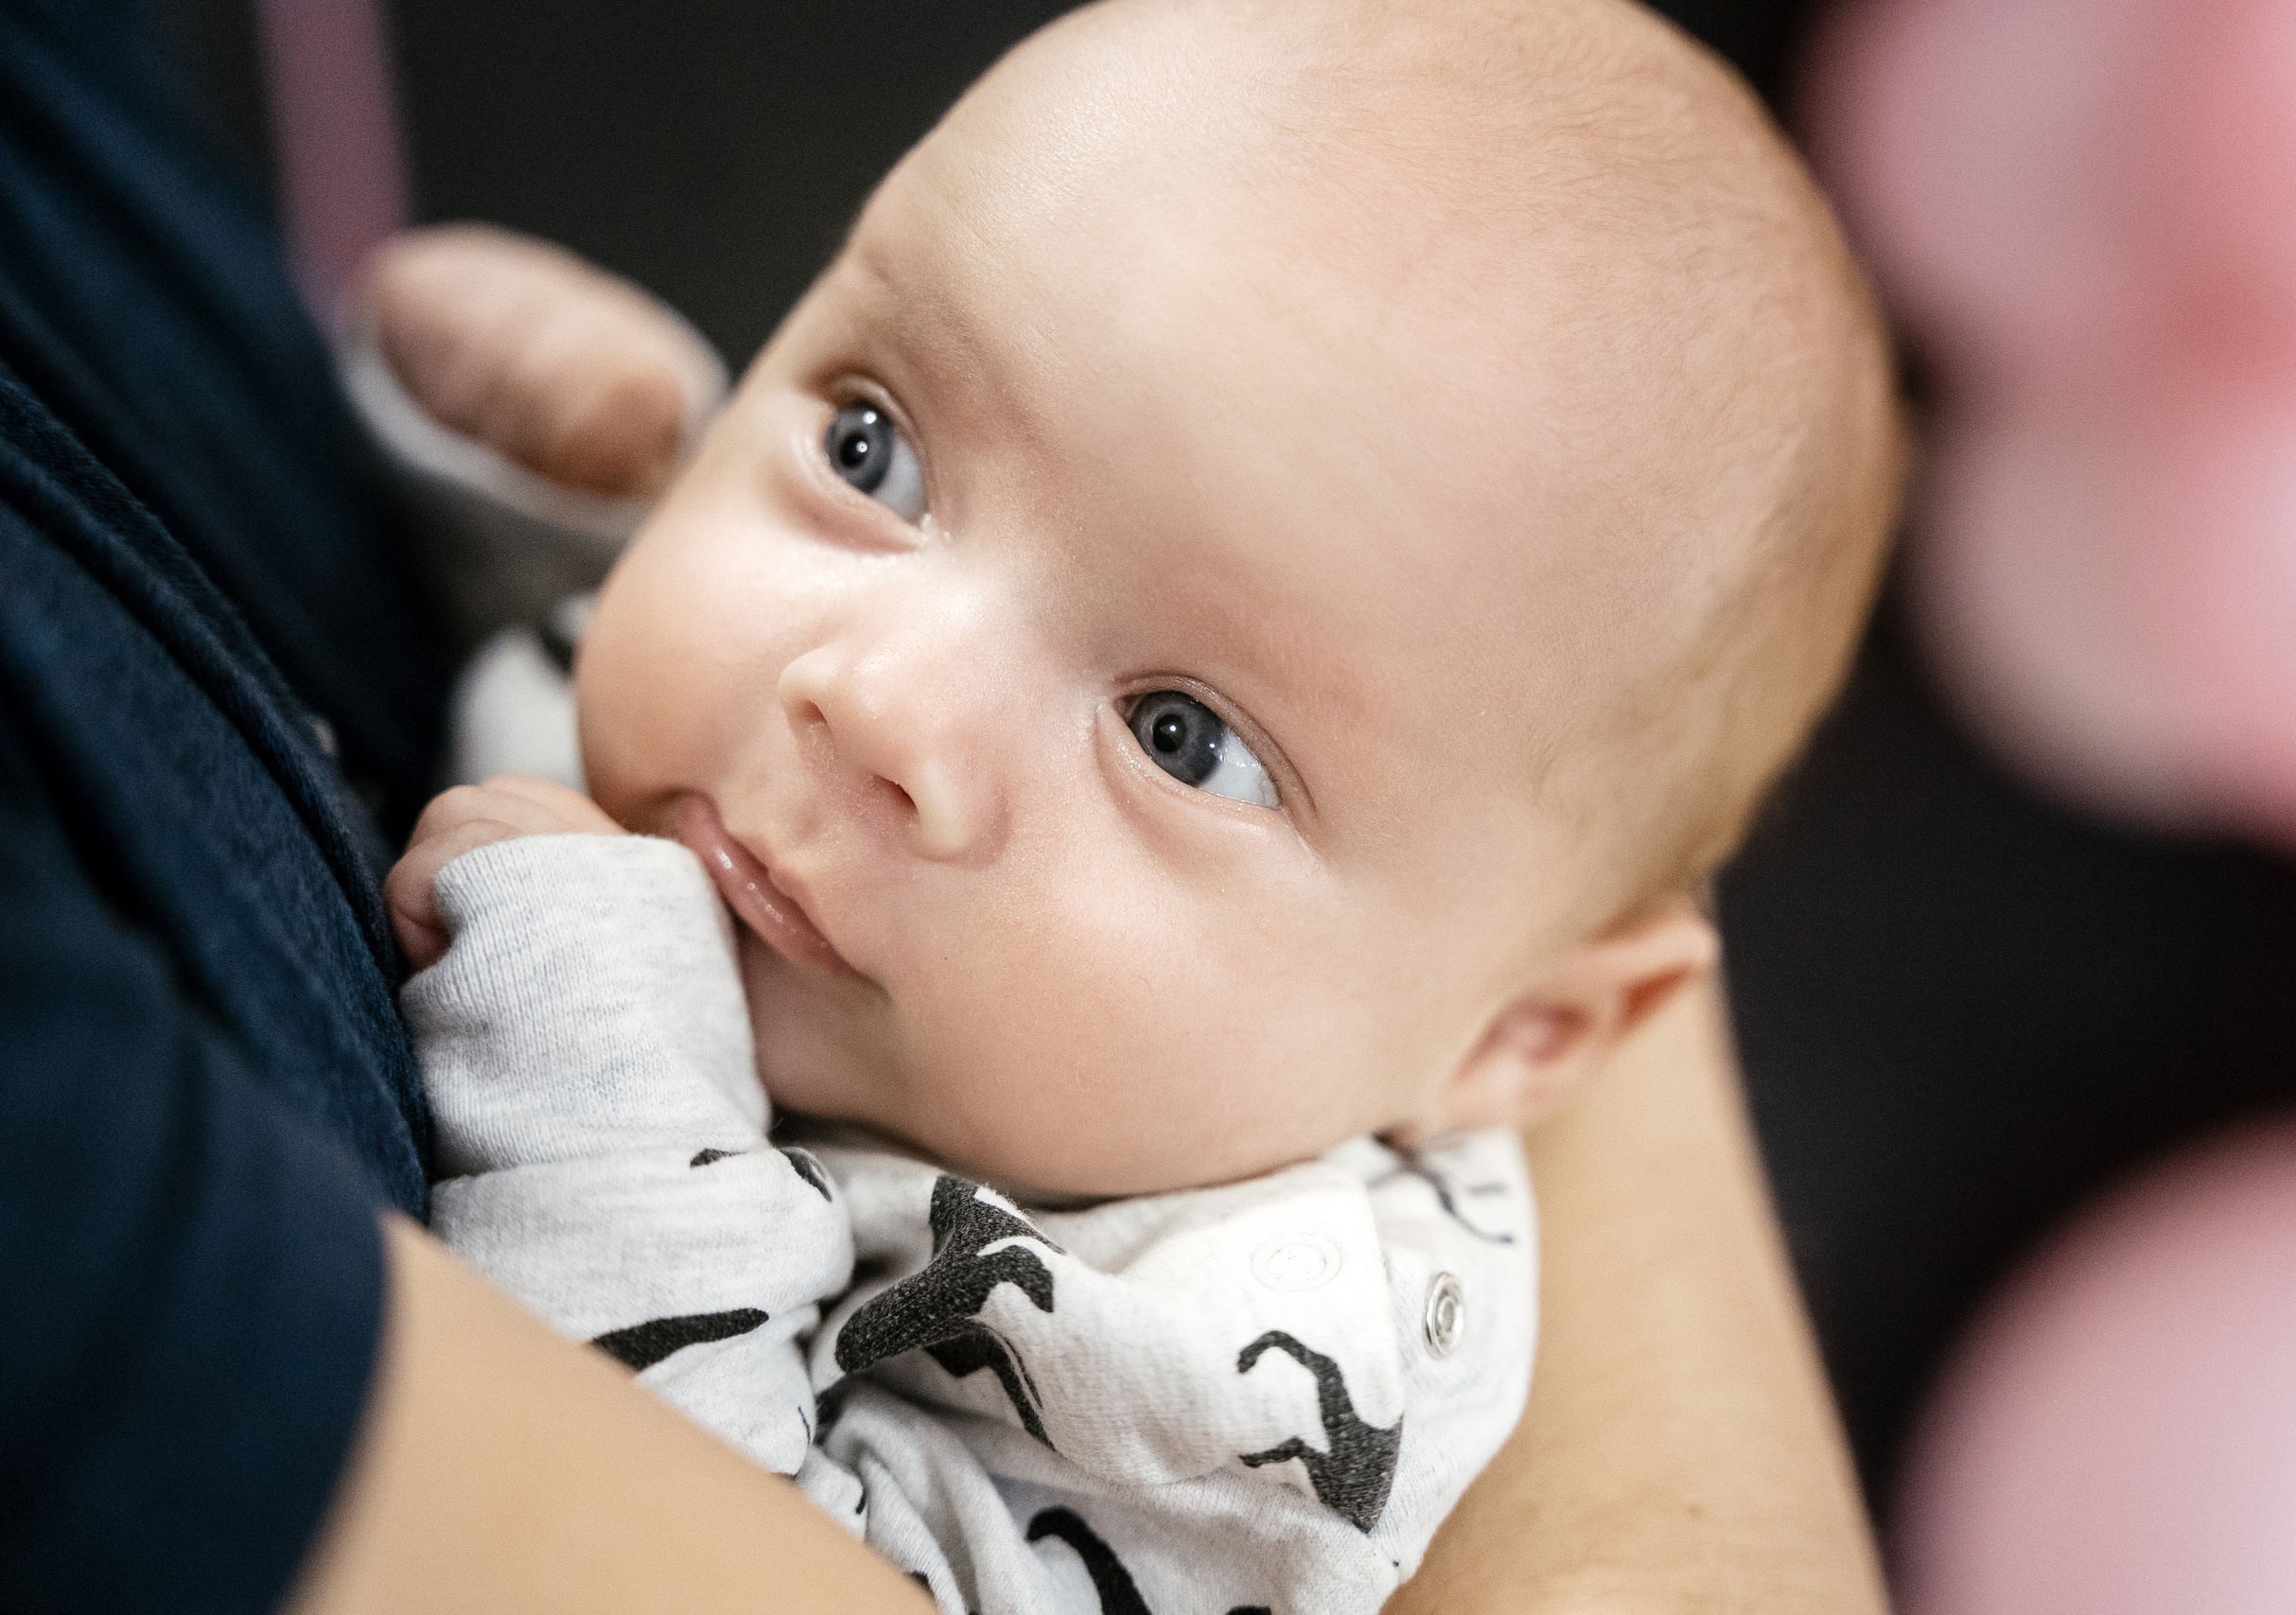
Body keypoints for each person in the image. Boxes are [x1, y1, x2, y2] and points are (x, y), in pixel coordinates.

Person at [0, 1, 1888, 1610]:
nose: (872, 699)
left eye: (1180, 738)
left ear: (1524, 1034)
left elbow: (751, 1537)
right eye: (870, 447)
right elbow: (529, 699)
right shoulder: (931, 909)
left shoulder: (1221, 1386)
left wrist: (593, 1052)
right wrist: (540, 507)